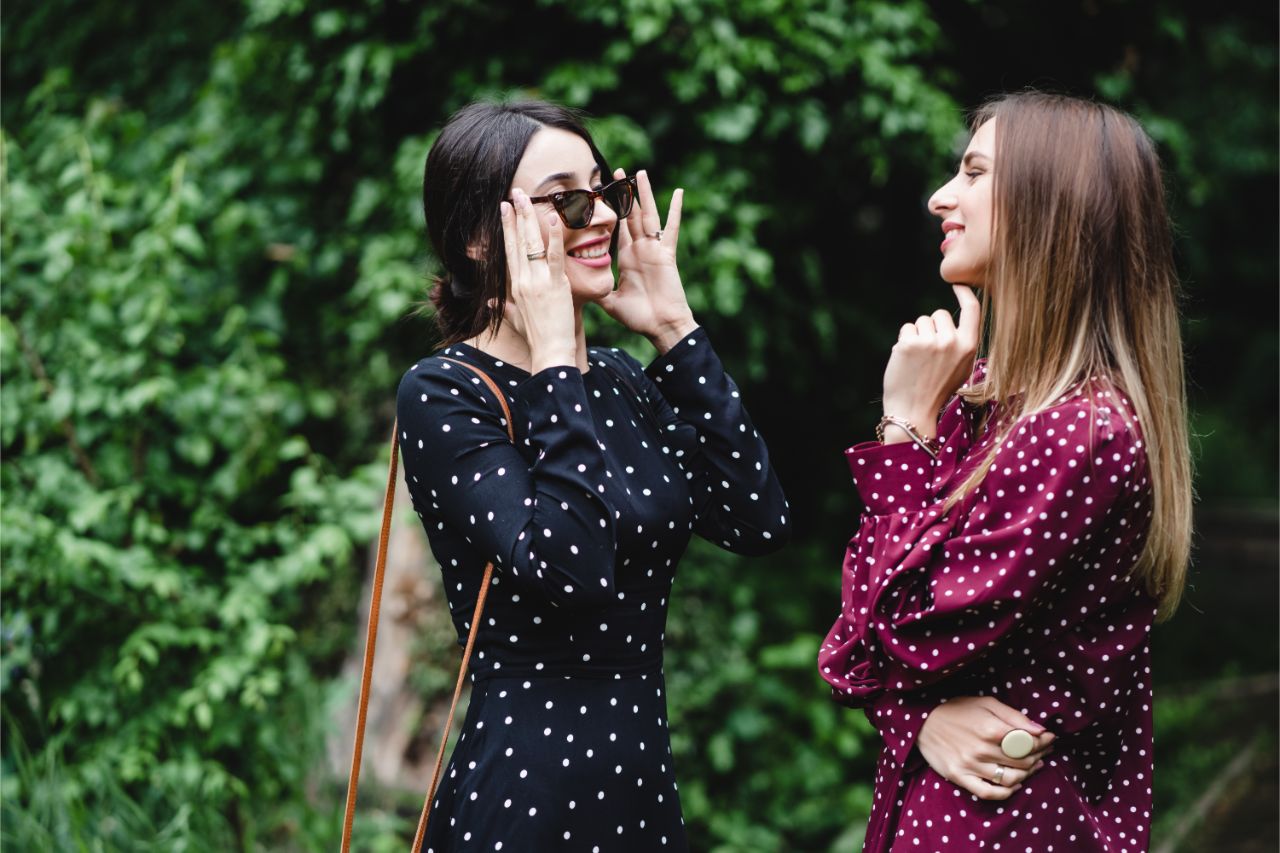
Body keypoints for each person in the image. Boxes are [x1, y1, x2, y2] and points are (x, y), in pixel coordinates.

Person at [396, 100, 789, 852]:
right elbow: (570, 565)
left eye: (604, 192)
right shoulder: (445, 391)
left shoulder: (615, 377)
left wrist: (674, 328)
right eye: (567, 199)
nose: (601, 216)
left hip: (641, 784)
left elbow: (756, 517)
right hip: (525, 792)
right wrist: (551, 363)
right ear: (481, 238)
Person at [817, 91, 1192, 852]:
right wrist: (916, 717)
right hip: (948, 813)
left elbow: (904, 628)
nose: (939, 197)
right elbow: (852, 644)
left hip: (1004, 823)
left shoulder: (1079, 432)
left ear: (1048, 205)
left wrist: (902, 429)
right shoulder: (989, 402)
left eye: (973, 173)